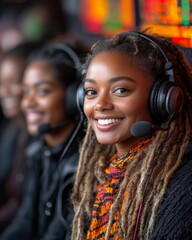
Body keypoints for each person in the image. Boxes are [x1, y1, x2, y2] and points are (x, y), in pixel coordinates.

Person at [71, 31, 192, 240]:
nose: (100, 104)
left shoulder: (184, 185)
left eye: (120, 90)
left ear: (164, 100)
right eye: (91, 92)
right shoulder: (99, 171)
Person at [0, 43, 84, 240]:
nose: (28, 102)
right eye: (26, 92)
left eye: (42, 91)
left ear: (74, 98)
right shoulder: (38, 151)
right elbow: (25, 221)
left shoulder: (83, 164)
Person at [0, 42, 41, 233]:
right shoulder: (13, 131)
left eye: (13, 82)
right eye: (2, 83)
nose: (4, 92)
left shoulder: (43, 143)